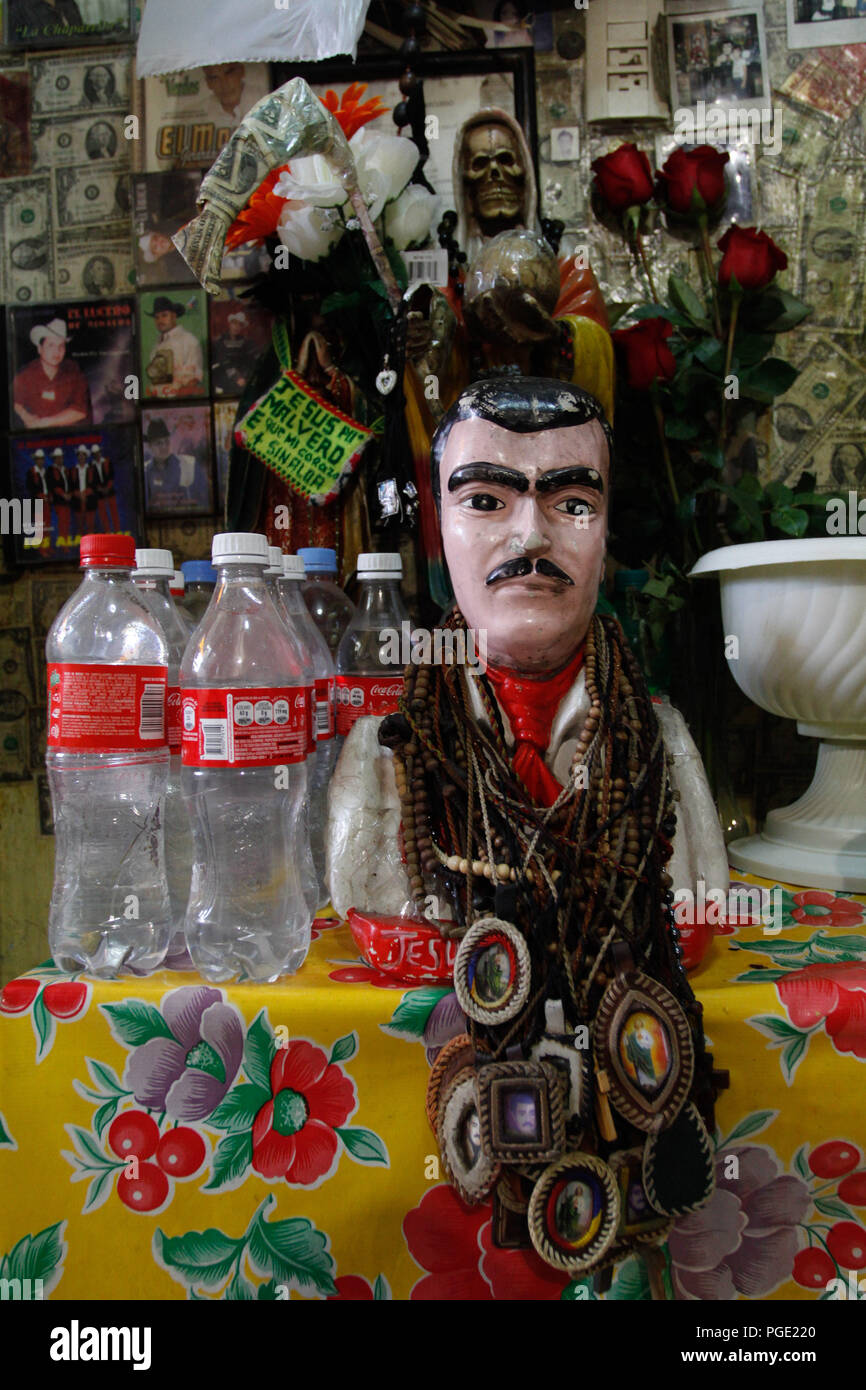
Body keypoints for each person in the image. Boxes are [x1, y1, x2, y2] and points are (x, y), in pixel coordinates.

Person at [13, 317, 91, 429]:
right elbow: (15, 401)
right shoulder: (26, 374)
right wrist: (25, 415)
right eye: (51, 345)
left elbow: (80, 412)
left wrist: (43, 423)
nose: (57, 351)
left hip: (67, 435)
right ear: (39, 349)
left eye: (61, 346)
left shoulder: (74, 372)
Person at [143, 416, 208, 511]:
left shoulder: (189, 464)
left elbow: (204, 499)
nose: (164, 447)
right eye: (158, 443)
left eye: (166, 441)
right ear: (150, 446)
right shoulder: (145, 471)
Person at [144, 295, 204, 398]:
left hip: (182, 402)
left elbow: (195, 378)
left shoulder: (189, 340)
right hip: (159, 402)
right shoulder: (156, 346)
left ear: (174, 316)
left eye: (164, 315)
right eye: (157, 317)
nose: (160, 320)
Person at [211, 309, 254, 396]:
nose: (237, 327)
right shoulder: (220, 341)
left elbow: (250, 361)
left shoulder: (245, 342)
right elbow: (223, 361)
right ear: (229, 324)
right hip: (224, 376)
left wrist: (244, 377)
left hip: (242, 378)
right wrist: (237, 377)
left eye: (240, 325)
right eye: (234, 323)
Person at [69, 443, 98, 537]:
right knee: (79, 525)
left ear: (86, 457)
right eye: (79, 455)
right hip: (77, 501)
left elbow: (94, 484)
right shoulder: (73, 470)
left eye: (83, 455)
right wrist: (78, 494)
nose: (81, 457)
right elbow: (71, 486)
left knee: (90, 525)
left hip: (89, 500)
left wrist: (85, 493)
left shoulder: (91, 469)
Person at [92, 443, 121, 531]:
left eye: (98, 452)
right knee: (103, 514)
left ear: (100, 452)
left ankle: (117, 531)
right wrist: (100, 489)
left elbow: (111, 476)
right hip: (100, 494)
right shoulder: (91, 466)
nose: (97, 455)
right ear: (93, 455)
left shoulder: (107, 462)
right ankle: (108, 532)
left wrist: (107, 488)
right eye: (95, 453)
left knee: (114, 513)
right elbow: (92, 481)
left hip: (110, 491)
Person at [47, 446, 72, 546]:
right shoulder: (51, 470)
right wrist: (63, 494)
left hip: (67, 500)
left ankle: (66, 540)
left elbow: (69, 483)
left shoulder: (65, 470)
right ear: (54, 459)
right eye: (57, 457)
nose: (60, 459)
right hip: (59, 500)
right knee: (62, 522)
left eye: (61, 457)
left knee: (66, 521)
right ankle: (63, 542)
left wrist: (69, 494)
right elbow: (53, 485)